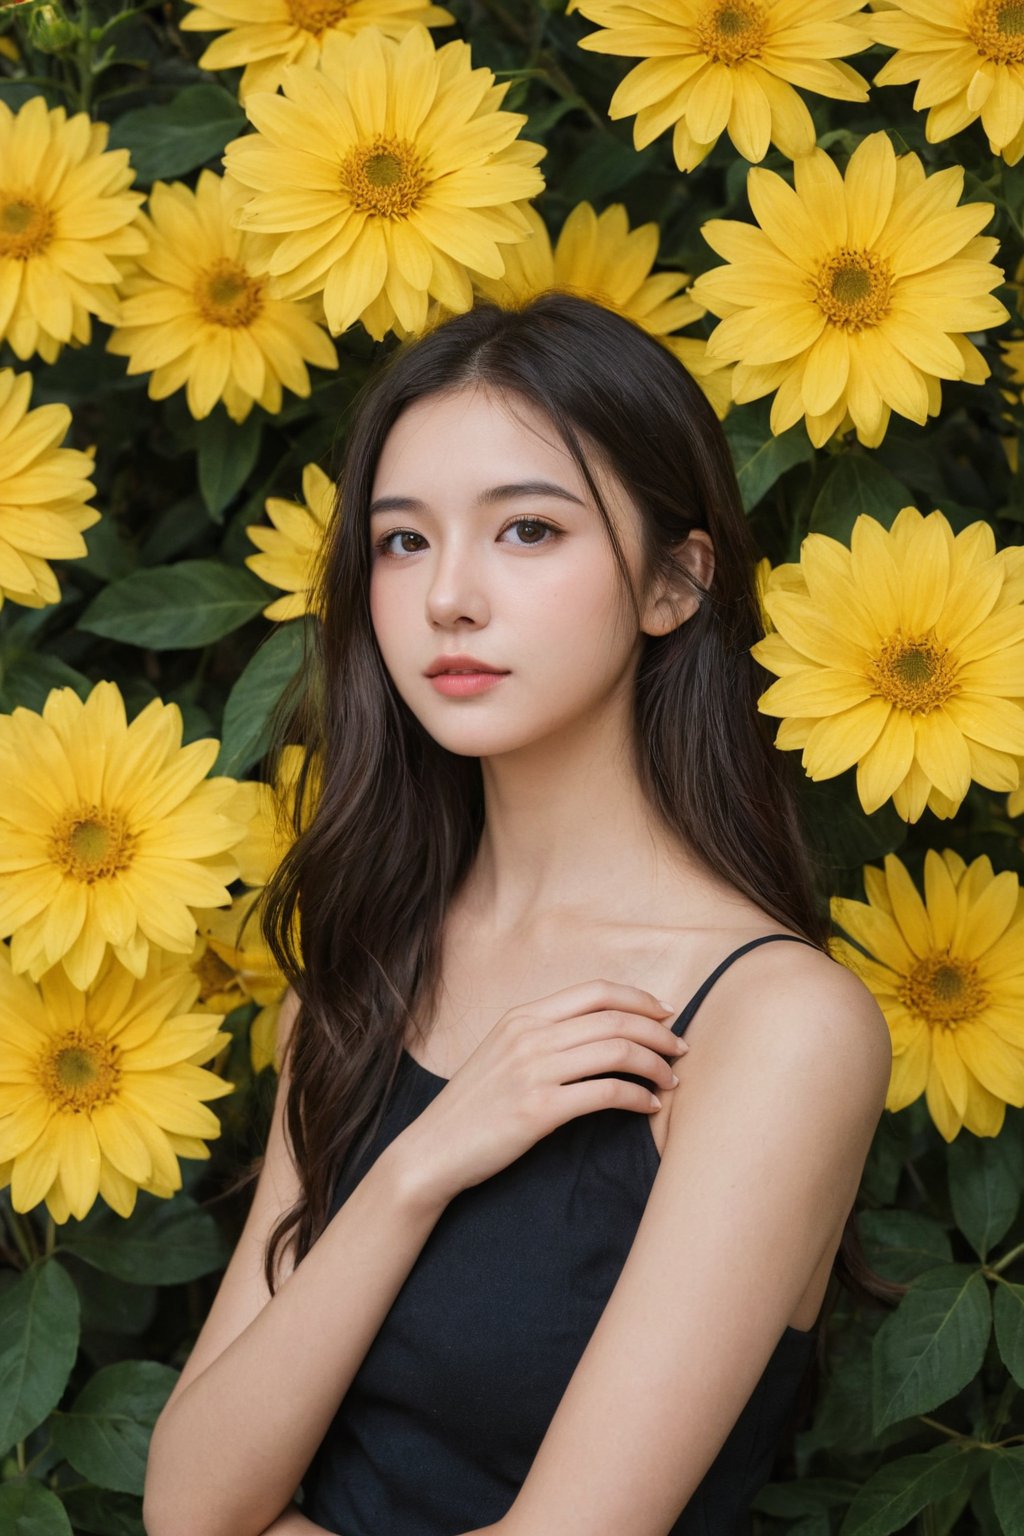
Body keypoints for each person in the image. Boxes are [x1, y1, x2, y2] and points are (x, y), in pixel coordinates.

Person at [142, 292, 893, 1536]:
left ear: (673, 583)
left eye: (528, 530)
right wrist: (418, 1168)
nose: (448, 599)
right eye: (400, 542)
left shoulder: (776, 1028)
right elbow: (185, 1502)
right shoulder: (369, 961)